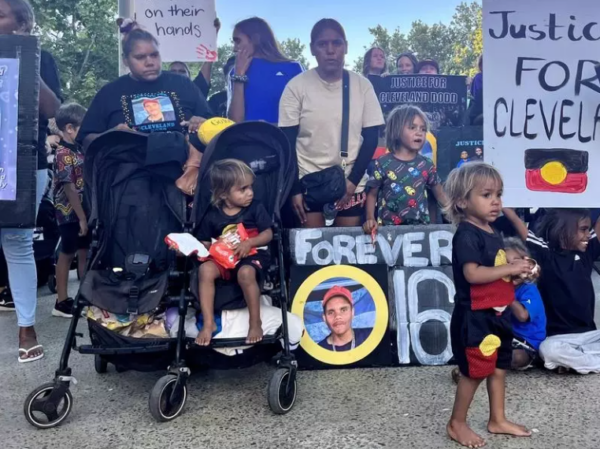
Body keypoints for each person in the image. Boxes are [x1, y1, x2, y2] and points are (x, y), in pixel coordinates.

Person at [444, 162, 532, 447]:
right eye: (486, 195)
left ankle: (497, 419)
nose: (496, 201)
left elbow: (495, 264)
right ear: (462, 201)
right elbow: (473, 274)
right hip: (475, 317)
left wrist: (516, 267)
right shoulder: (467, 234)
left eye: (499, 194)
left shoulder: (491, 231)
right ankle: (457, 423)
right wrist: (508, 269)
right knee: (473, 373)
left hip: (497, 313)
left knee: (498, 367)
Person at [77, 25, 212, 197]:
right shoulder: (109, 93)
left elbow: (212, 126)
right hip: (128, 188)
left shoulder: (184, 85)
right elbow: (86, 139)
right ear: (126, 60)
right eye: (140, 57)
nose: (149, 62)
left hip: (183, 181)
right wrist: (111, 135)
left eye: (154, 55)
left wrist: (201, 122)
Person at [0, 0, 61, 363]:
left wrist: (26, 56)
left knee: (17, 240)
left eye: (0, 15)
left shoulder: (42, 57)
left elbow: (53, 110)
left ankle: (27, 327)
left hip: (22, 162)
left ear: (21, 22)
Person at [279, 19, 384, 228]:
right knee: (314, 255)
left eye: (336, 43)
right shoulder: (296, 87)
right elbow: (287, 144)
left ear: (345, 47)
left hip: (350, 181)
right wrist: (294, 190)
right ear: (312, 49)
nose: (330, 50)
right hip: (308, 182)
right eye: (322, 44)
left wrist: (353, 183)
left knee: (346, 253)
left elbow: (372, 138)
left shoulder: (362, 86)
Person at [503, 208, 600, 374]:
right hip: (557, 338)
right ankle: (585, 361)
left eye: (588, 229)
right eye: (583, 229)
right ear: (564, 230)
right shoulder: (546, 255)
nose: (587, 235)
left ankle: (575, 361)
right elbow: (521, 228)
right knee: (547, 350)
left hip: (589, 336)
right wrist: (507, 208)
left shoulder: (586, 254)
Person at [195, 159, 273, 346]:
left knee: (245, 273)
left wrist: (250, 242)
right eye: (243, 189)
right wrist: (190, 248)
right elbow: (205, 242)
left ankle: (255, 322)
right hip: (223, 258)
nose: (250, 193)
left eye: (251, 187)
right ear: (223, 194)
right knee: (205, 270)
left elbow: (268, 233)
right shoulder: (213, 214)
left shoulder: (255, 207)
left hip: (252, 255)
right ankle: (209, 323)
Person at [363, 105, 446, 232]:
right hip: (388, 231)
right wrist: (369, 219)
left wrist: (460, 214)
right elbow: (372, 194)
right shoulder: (383, 162)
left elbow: (440, 196)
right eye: (412, 127)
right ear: (396, 131)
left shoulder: (427, 164)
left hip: (421, 231)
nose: (419, 132)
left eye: (423, 129)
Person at [52, 103, 90, 318]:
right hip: (68, 211)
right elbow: (69, 187)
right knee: (67, 252)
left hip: (84, 209)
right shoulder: (63, 154)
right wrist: (81, 218)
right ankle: (61, 300)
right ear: (69, 128)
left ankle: (84, 296)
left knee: (84, 250)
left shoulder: (80, 148)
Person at [228, 17, 303, 124]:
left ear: (255, 39)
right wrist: (239, 76)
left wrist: (271, 128)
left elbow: (305, 116)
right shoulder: (235, 73)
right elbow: (234, 122)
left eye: (238, 41)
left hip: (284, 139)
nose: (234, 49)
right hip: (246, 139)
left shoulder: (293, 68)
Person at [504, 237, 546, 369]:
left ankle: (487, 367)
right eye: (507, 265)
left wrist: (505, 293)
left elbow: (522, 316)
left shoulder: (529, 289)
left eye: (517, 264)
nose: (513, 270)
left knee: (516, 357)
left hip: (528, 343)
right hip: (507, 339)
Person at [169, 18, 221, 101]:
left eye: (182, 71)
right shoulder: (158, 93)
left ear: (189, 76)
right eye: (173, 71)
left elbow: (209, 60)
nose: (177, 74)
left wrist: (214, 34)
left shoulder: (196, 90)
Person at [318, 286, 372, 352]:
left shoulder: (371, 337)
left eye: (343, 310)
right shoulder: (319, 350)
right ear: (324, 318)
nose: (337, 316)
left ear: (352, 312)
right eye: (331, 312)